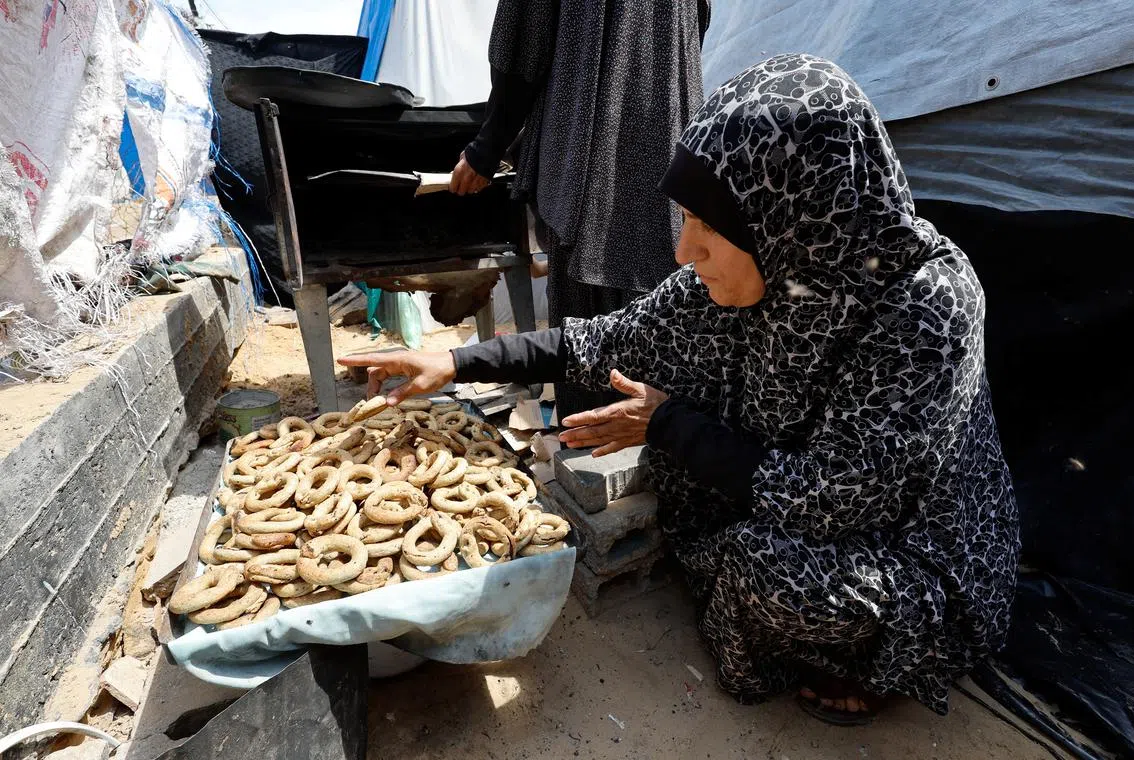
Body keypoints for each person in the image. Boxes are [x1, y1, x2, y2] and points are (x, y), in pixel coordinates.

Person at [342, 55, 1021, 725]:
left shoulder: (926, 306)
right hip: (788, 498)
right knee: (699, 477)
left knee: (776, 569)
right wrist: (455, 362)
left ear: (792, 214)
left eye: (708, 226)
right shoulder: (776, 258)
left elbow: (838, 501)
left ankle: (879, 665)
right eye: (686, 219)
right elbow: (607, 339)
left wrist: (671, 425)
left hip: (904, 549)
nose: (682, 251)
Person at [448, 0, 710, 418]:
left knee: (589, 307)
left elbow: (522, 43)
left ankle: (591, 453)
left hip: (593, 154)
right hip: (666, 135)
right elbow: (699, 23)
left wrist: (486, 148)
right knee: (662, 301)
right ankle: (654, 444)